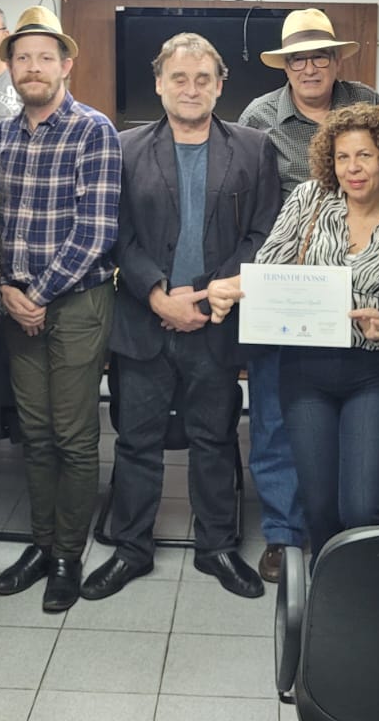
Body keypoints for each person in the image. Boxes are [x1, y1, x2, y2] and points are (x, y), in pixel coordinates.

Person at [82, 33, 279, 602]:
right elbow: (115, 233)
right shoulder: (122, 147)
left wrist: (215, 292)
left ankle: (217, 547)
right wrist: (158, 294)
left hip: (217, 321)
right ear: (159, 84)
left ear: (220, 86)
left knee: (214, 439)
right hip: (144, 320)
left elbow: (263, 232)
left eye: (202, 79)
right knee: (136, 441)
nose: (190, 89)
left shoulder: (253, 148)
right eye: (179, 78)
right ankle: (131, 548)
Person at [209, 104, 379, 553]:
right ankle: (328, 599)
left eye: (365, 156)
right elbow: (270, 266)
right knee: (319, 506)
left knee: (364, 506)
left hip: (375, 373)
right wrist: (230, 287)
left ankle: (371, 593)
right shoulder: (310, 200)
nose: (353, 168)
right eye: (342, 157)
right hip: (305, 371)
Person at [237, 7, 379, 581]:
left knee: (351, 414)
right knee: (276, 414)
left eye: (319, 56)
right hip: (288, 288)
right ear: (286, 66)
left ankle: (343, 533)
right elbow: (249, 204)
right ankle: (282, 534)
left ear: (335, 59)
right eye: (298, 58)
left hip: (361, 285)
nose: (309, 67)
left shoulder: (370, 107)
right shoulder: (257, 118)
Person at [0, 6, 122, 613]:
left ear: (67, 64)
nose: (33, 67)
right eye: (23, 58)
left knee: (72, 435)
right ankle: (41, 544)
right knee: (35, 436)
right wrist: (8, 292)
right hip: (19, 305)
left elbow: (96, 232)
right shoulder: (1, 135)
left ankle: (69, 554)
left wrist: (38, 294)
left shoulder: (93, 130)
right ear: (9, 66)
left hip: (75, 303)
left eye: (46, 57)